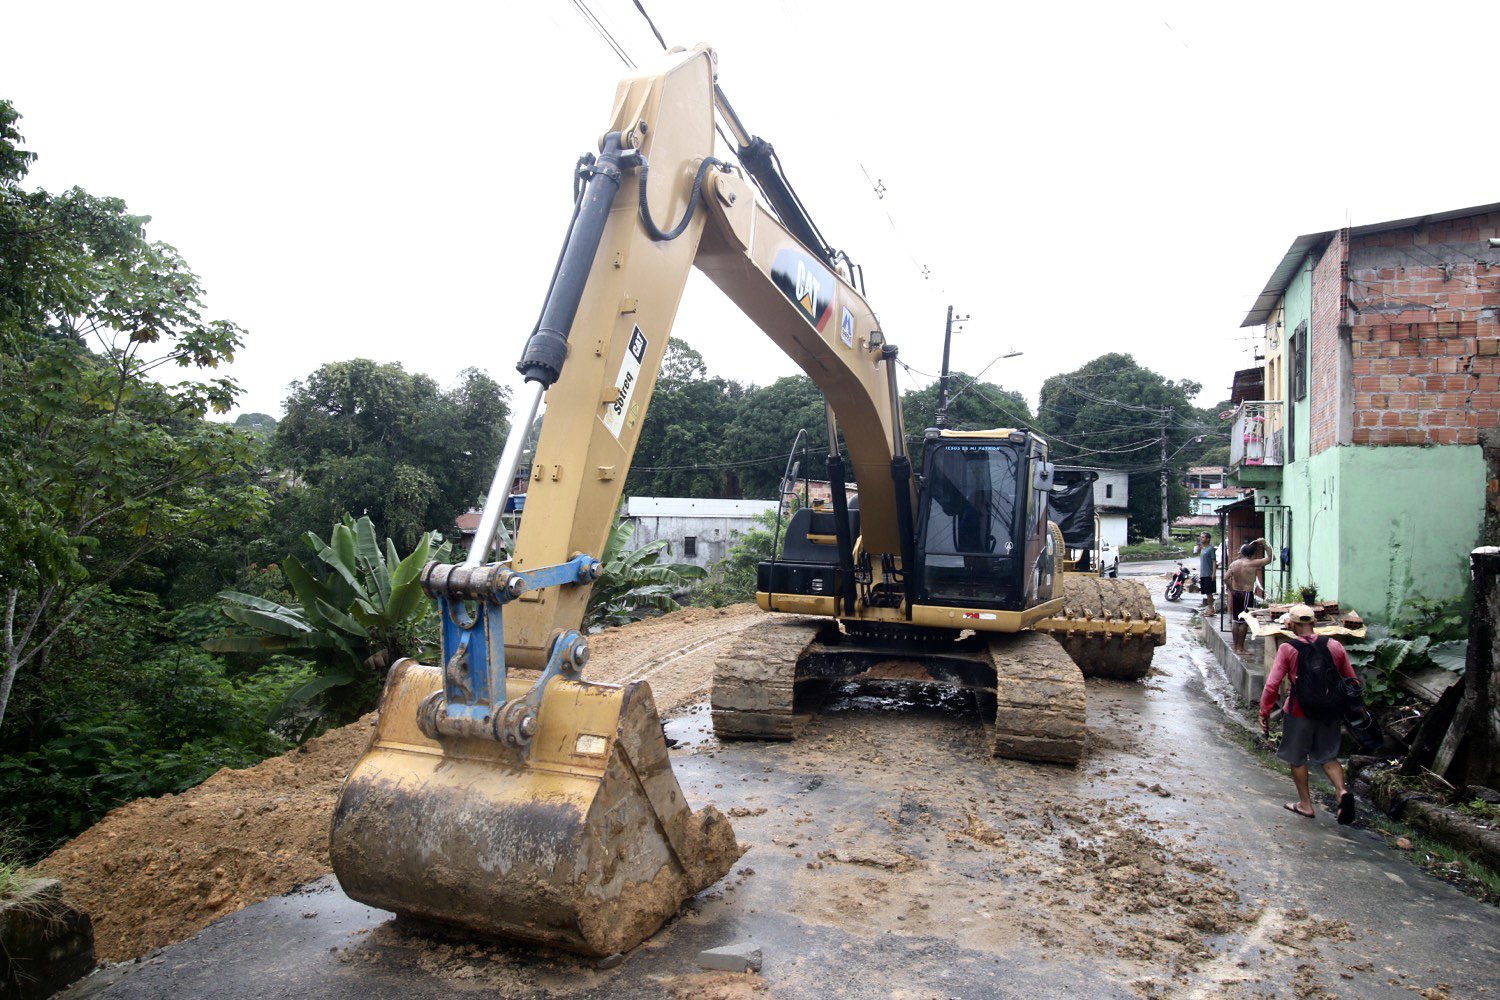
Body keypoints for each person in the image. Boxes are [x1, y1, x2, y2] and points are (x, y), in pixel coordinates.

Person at [1259, 604, 1359, 823]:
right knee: (1328, 757)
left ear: (1292, 625)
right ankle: (1342, 792)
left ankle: (1305, 805)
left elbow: (1272, 684)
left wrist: (1264, 711)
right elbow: (1352, 680)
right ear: (1314, 623)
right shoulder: (1334, 645)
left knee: (1297, 758)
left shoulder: (1288, 648)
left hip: (1298, 712)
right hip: (1329, 712)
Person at [1225, 538, 1274, 654]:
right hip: (1246, 594)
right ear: (1252, 554)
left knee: (1236, 621)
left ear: (1242, 552)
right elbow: (1272, 558)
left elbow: (1225, 578)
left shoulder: (1234, 564)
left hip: (1236, 593)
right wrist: (1265, 544)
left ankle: (1236, 646)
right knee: (1244, 621)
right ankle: (1240, 648)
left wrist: (1232, 590)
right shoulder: (1253, 563)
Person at [1192, 531, 1217, 608]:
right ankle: (1210, 608)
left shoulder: (1211, 549)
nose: (1201, 538)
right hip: (1203, 574)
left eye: (1203, 537)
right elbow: (1196, 554)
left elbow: (1214, 561)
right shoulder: (1203, 549)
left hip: (1209, 574)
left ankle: (1211, 609)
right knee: (1206, 592)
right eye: (1201, 537)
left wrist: (1213, 573)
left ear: (1208, 539)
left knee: (1209, 593)